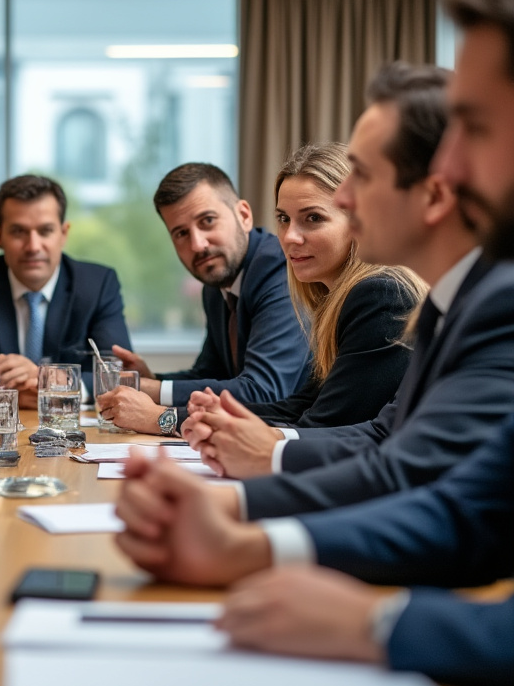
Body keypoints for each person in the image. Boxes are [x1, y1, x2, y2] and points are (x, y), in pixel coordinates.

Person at [113, 0, 514, 686]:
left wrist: (374, 623)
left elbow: (416, 481)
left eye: (475, 127)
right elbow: (462, 505)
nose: (347, 202)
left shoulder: (466, 297)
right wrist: (237, 526)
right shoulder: (470, 296)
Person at [183, 63, 514, 518]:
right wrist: (247, 441)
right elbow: (379, 434)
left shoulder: (406, 297)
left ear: (435, 194)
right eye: (283, 218)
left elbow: (406, 473)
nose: (346, 197)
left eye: (362, 175)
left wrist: (245, 496)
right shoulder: (443, 302)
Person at [177, 141, 426, 478]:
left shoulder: (381, 294)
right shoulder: (334, 297)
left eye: (313, 218)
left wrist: (229, 431)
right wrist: (219, 418)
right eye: (283, 219)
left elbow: (329, 423)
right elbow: (301, 405)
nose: (290, 237)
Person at [96, 163, 310, 434]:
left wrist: (153, 392)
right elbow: (211, 373)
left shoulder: (279, 269)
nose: (198, 245)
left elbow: (264, 390)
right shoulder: (218, 282)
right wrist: (150, 378)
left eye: (207, 221)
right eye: (181, 234)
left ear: (244, 215)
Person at [0, 174, 132, 408]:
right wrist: (0, 387)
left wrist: (46, 380)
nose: (33, 246)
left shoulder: (97, 284)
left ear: (63, 233)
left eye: (45, 231)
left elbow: (119, 375)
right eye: (18, 232)